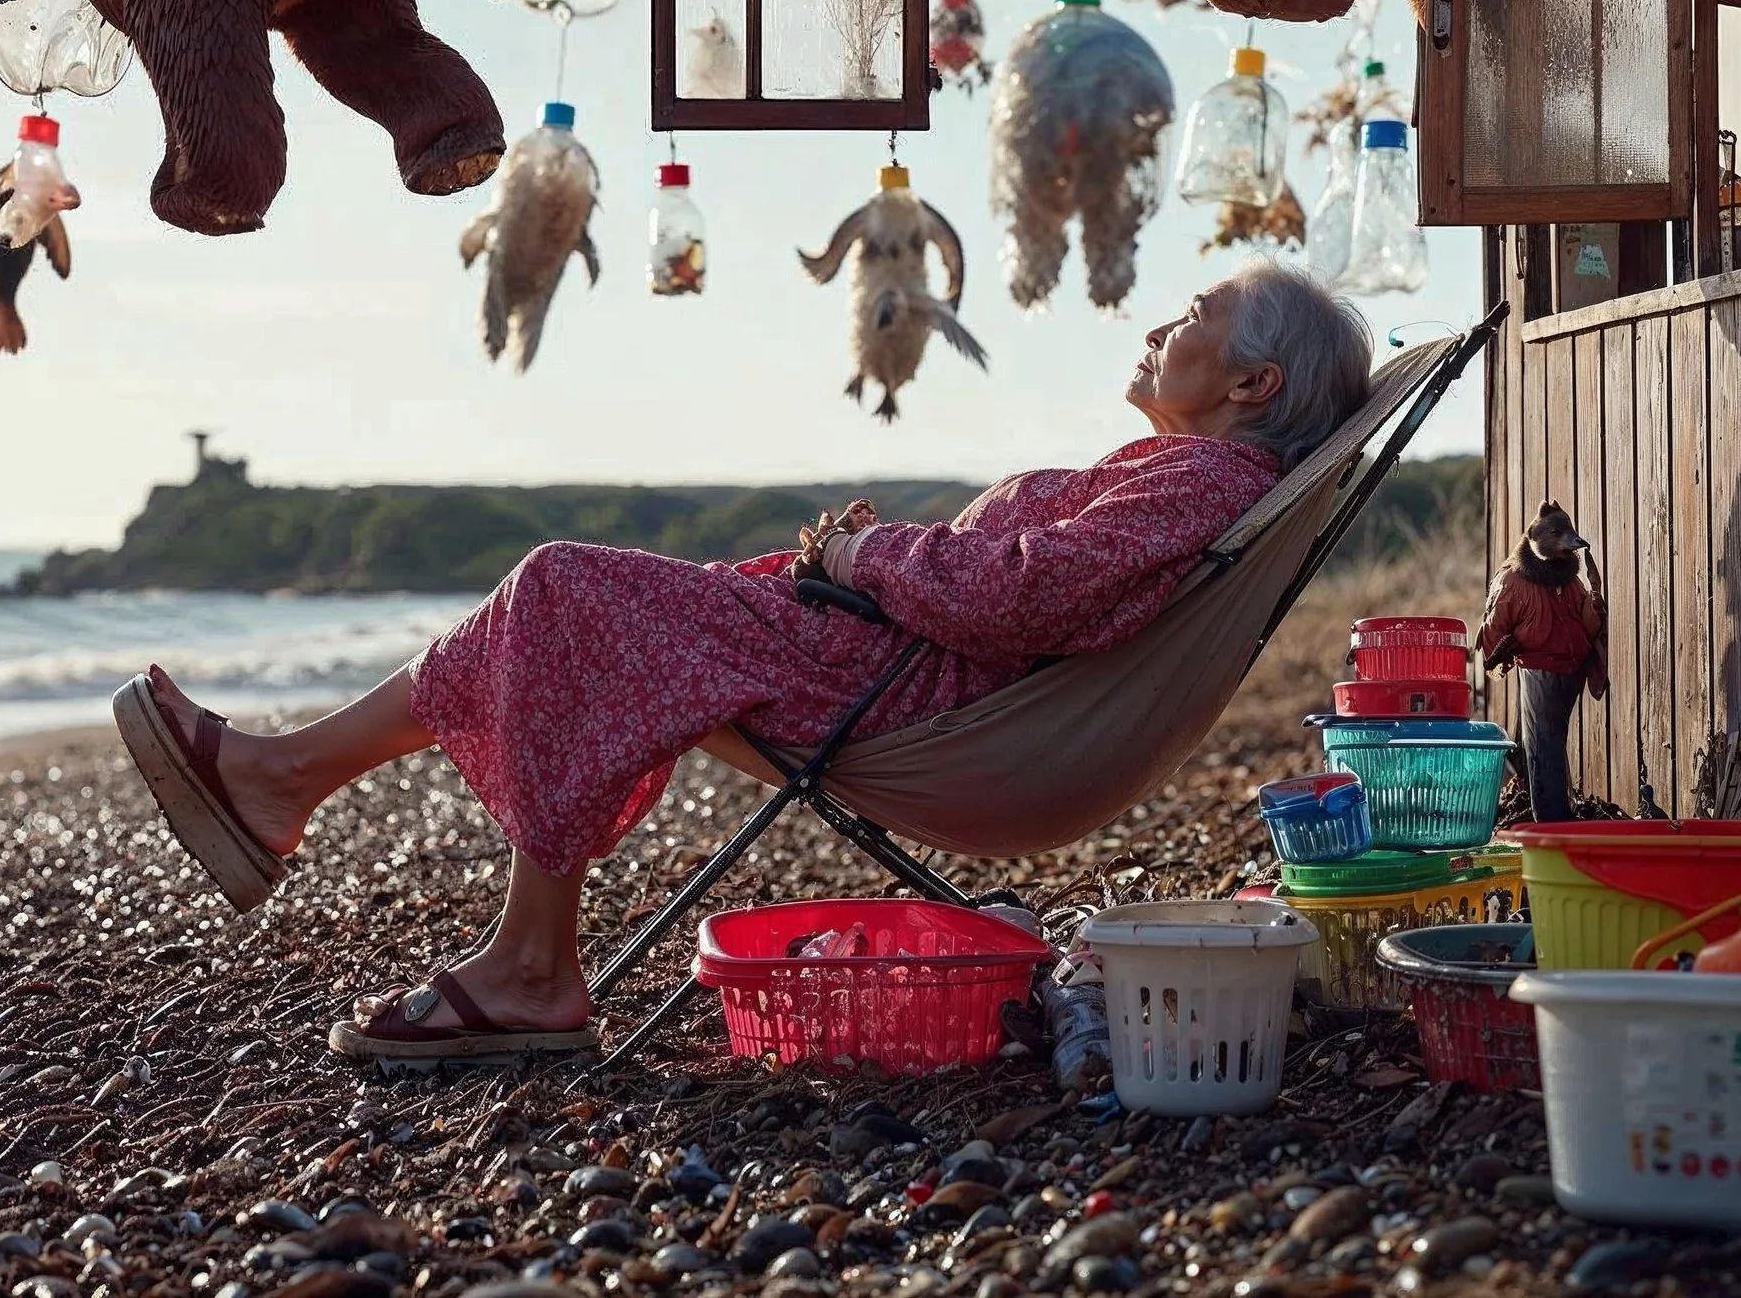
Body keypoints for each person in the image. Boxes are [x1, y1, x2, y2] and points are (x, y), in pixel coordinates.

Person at [113, 262, 1374, 1063]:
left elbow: (1024, 596)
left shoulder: (1202, 474)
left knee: (562, 588)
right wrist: (847, 567)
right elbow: (1030, 590)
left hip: (916, 694)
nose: (1164, 319)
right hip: (894, 665)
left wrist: (871, 551)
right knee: (555, 605)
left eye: (1197, 313)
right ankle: (293, 787)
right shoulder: (1186, 470)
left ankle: (518, 956)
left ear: (1253, 383)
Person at [1478, 498, 1608, 823]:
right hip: (1539, 670)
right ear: (1536, 535)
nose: (1570, 542)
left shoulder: (1571, 581)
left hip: (1572, 671)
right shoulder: (1512, 581)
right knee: (1544, 746)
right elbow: (1493, 631)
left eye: (1569, 535)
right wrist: (1497, 656)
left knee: (1544, 739)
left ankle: (1546, 809)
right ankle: (1553, 822)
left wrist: (1595, 596)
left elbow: (1589, 624)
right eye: (1558, 534)